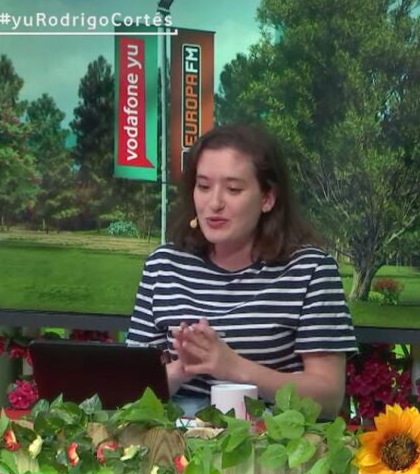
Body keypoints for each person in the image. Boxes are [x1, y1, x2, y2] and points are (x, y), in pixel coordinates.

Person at [126, 124, 357, 417]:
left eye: (233, 189)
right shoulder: (164, 265)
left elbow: (328, 398)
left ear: (267, 198)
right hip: (173, 436)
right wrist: (182, 369)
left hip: (273, 436)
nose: (214, 203)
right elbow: (129, 389)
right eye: (203, 186)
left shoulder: (310, 270)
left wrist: (233, 367)